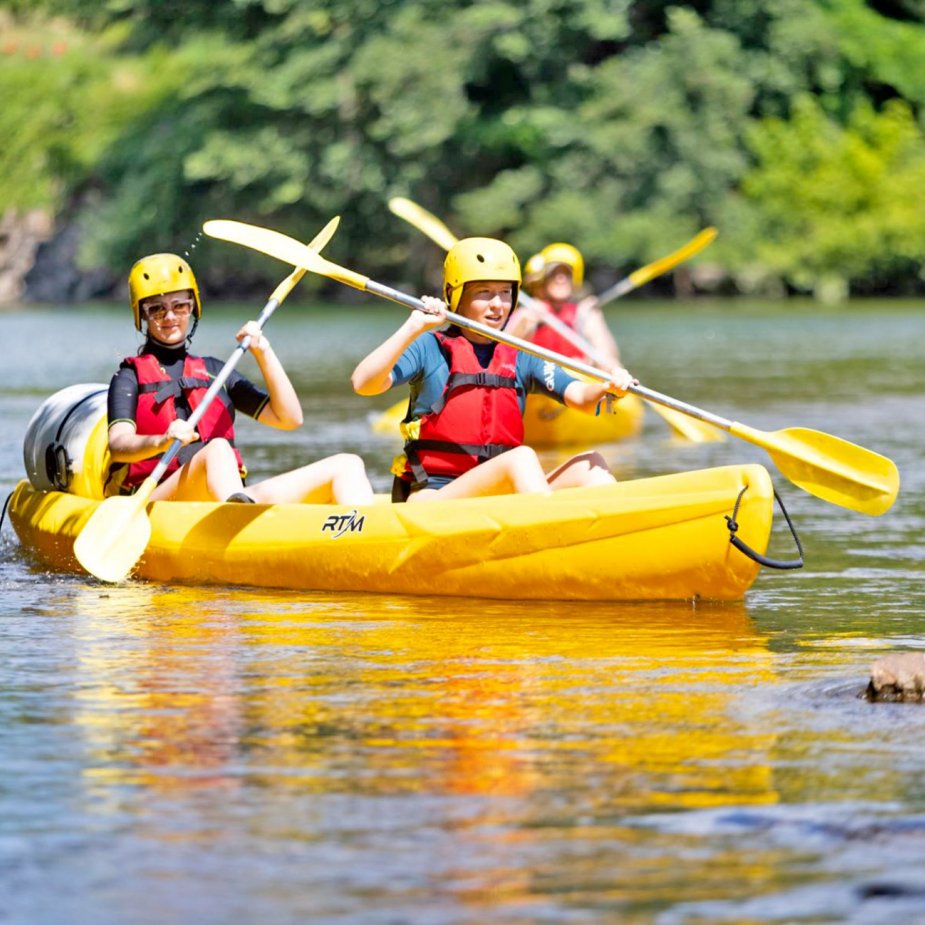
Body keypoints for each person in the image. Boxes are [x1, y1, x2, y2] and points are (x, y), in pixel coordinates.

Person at [351, 237, 636, 503]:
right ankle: (546, 538)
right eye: (484, 293)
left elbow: (581, 398)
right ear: (456, 295)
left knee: (592, 466)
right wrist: (412, 327)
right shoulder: (430, 346)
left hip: (498, 495)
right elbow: (364, 383)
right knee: (521, 458)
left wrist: (607, 388)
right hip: (434, 496)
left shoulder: (521, 357)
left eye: (504, 292)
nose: (497, 305)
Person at [106, 253, 374, 505]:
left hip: (226, 498)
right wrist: (161, 440)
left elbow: (289, 418)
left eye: (180, 305)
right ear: (142, 314)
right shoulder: (129, 377)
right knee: (216, 449)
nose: (171, 317)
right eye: (157, 309)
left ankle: (364, 538)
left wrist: (263, 352)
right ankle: (240, 519)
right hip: (160, 500)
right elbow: (118, 446)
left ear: (193, 308)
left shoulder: (216, 371)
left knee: (347, 465)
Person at [507, 242, 621, 366]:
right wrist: (526, 323)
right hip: (536, 379)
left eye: (566, 274)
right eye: (554, 274)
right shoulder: (528, 311)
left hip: (575, 380)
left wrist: (596, 317)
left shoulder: (583, 313)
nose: (560, 279)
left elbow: (610, 361)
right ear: (544, 279)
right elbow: (503, 353)